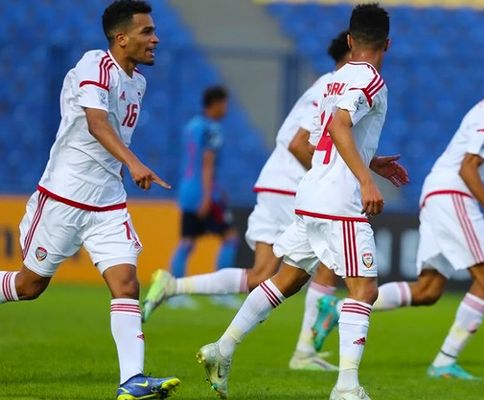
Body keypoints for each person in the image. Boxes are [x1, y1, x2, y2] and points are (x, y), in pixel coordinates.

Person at [142, 30, 406, 375]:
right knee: (343, 277)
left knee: (272, 276)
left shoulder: (330, 84)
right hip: (296, 187)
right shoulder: (344, 84)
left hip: (292, 187)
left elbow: (325, 140)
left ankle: (186, 301)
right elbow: (303, 143)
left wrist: (363, 164)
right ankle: (312, 355)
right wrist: (338, 180)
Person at [313, 55, 484, 381]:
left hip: (438, 193)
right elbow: (467, 168)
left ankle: (338, 309)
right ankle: (444, 362)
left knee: (428, 290)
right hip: (451, 193)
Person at [196, 5, 392, 400]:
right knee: (364, 290)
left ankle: (222, 348)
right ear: (387, 44)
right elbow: (339, 126)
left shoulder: (333, 81)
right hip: (340, 202)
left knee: (288, 279)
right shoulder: (371, 80)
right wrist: (366, 179)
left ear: (350, 40)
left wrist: (372, 161)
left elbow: (324, 136)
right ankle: (346, 388)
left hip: (311, 194)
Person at [0, 1, 180, 399]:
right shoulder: (95, 65)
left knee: (126, 284)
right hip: (64, 196)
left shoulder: (138, 83)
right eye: (147, 32)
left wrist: (123, 168)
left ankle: (131, 381)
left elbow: (110, 135)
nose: (156, 39)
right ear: (121, 38)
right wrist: (134, 163)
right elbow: (97, 124)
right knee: (29, 286)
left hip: (108, 202)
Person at [168, 85, 240, 309]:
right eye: (225, 104)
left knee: (187, 242)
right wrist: (208, 196)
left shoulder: (192, 126)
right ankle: (221, 291)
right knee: (230, 238)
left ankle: (173, 292)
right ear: (216, 103)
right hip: (204, 192)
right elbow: (207, 162)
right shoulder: (211, 128)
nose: (226, 108)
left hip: (187, 189)